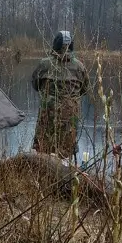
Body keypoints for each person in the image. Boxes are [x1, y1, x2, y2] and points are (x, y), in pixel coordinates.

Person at [31, 30, 90, 164]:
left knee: (42, 157)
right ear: (72, 46)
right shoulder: (79, 67)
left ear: (55, 45)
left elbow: (35, 85)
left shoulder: (44, 64)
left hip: (46, 120)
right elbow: (85, 90)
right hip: (69, 122)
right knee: (65, 159)